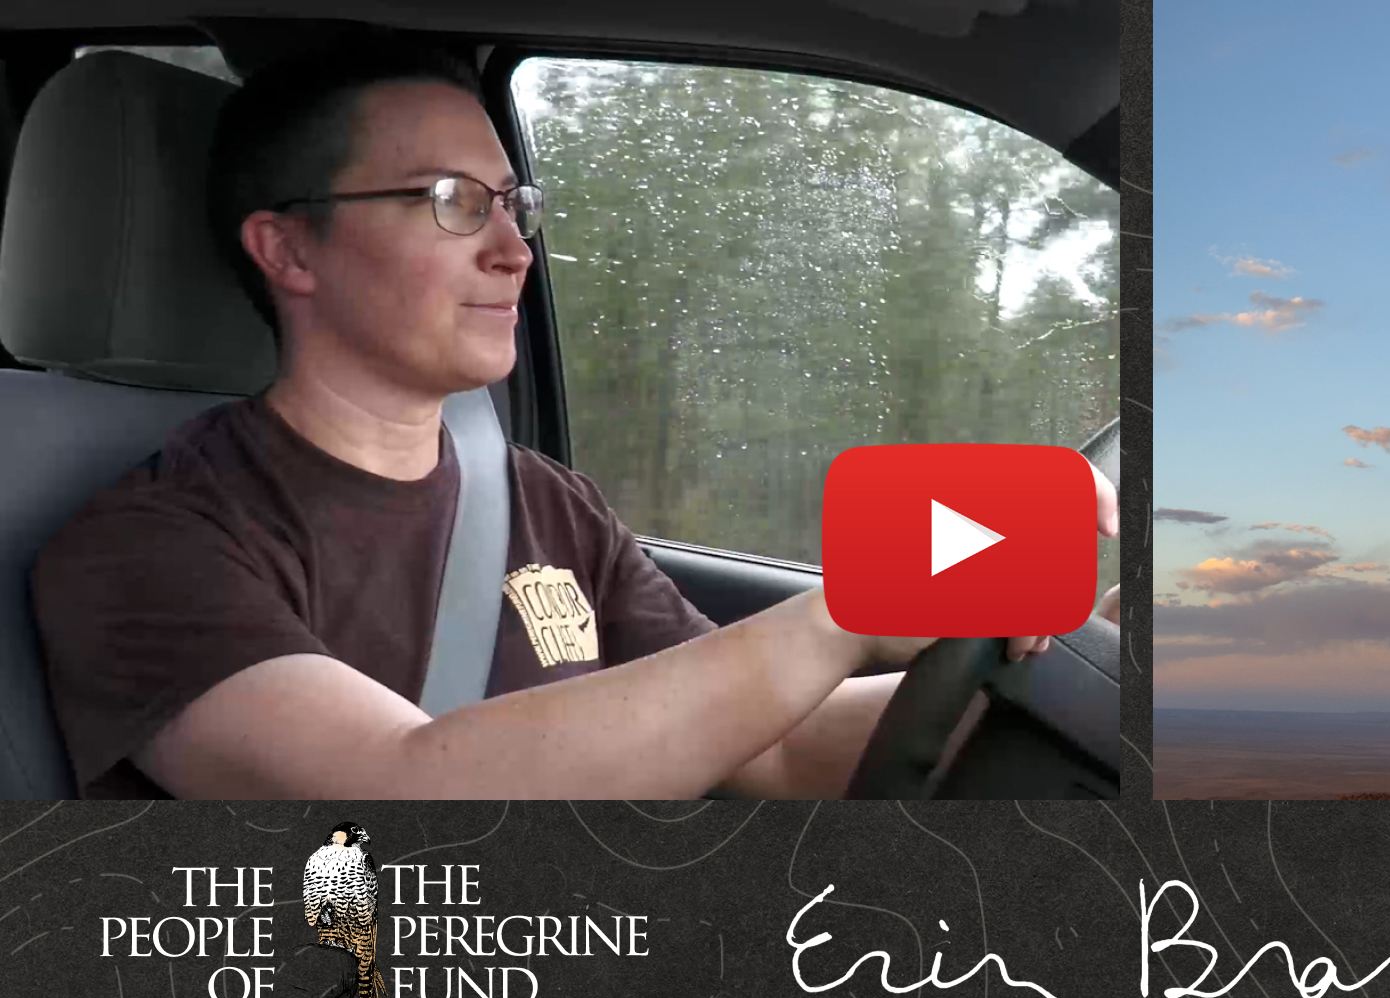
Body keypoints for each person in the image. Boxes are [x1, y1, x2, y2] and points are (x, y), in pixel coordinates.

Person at [29, 38, 1118, 800]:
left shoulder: (545, 501)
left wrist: (1069, 660)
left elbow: (773, 751)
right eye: (453, 202)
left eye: (515, 204)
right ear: (288, 249)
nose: (515, 250)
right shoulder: (148, 549)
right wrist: (842, 618)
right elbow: (394, 799)